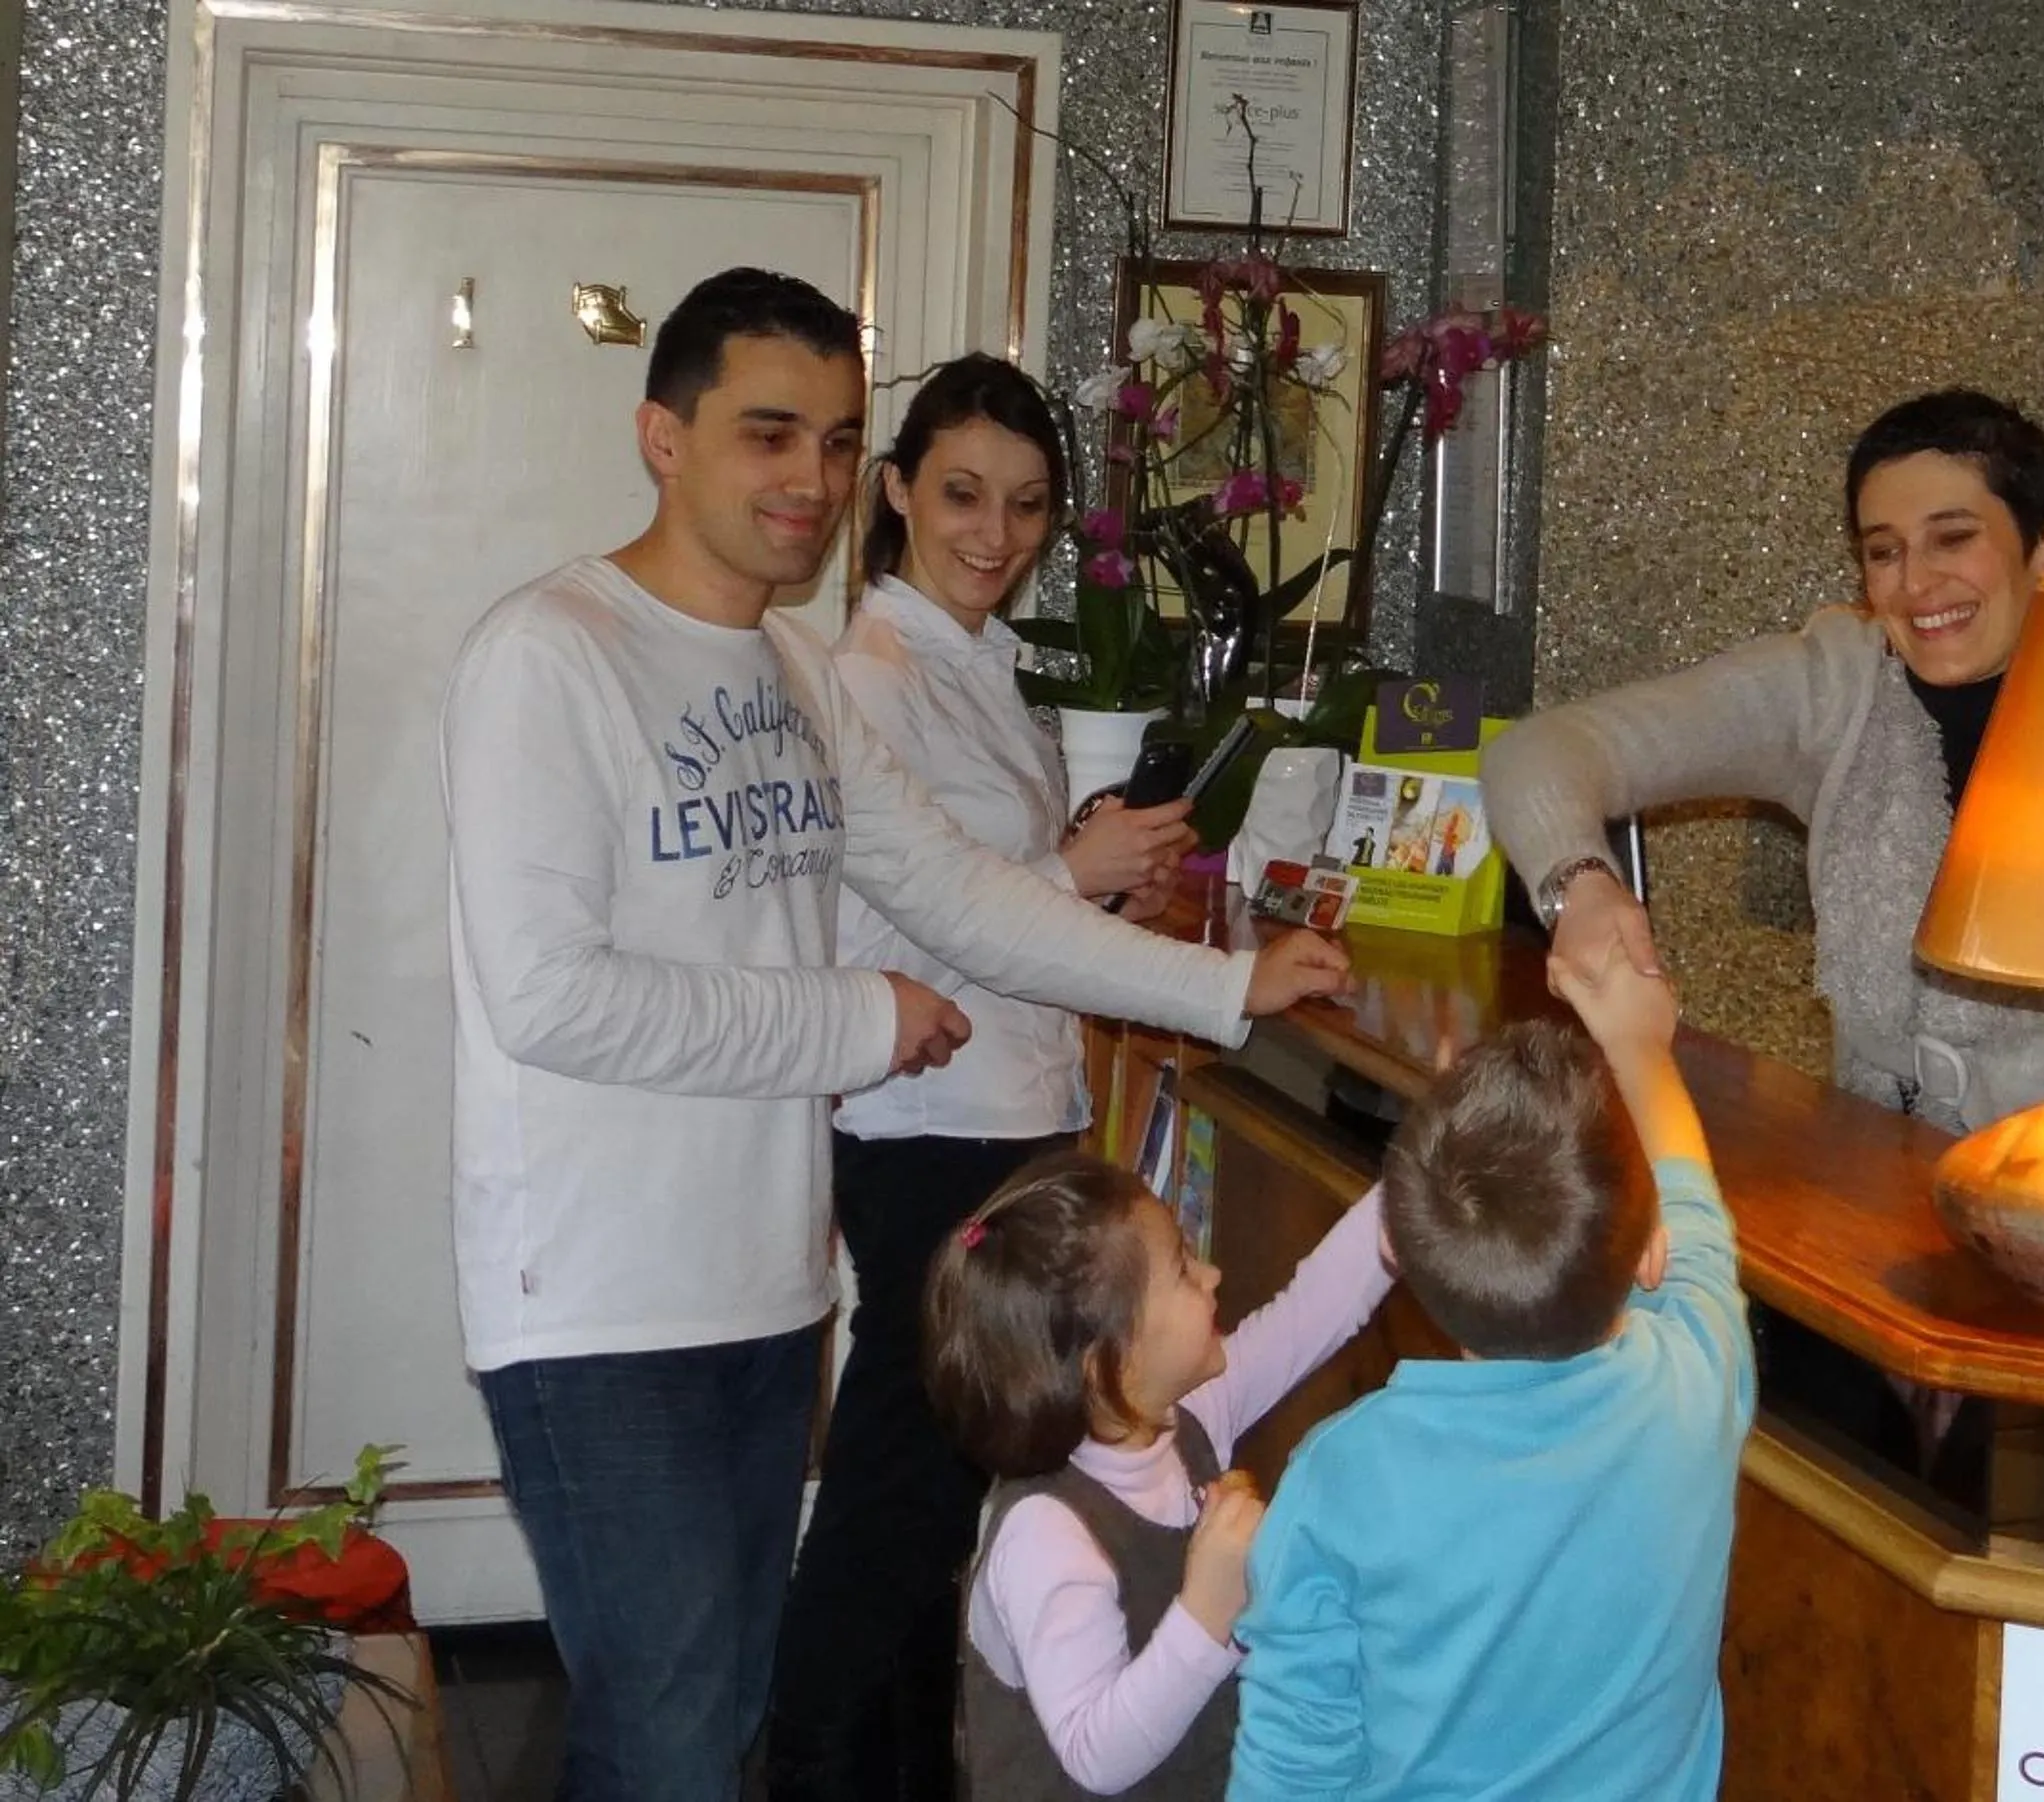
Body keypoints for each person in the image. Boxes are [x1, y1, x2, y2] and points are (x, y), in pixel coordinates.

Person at [439, 267, 1348, 1802]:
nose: (806, 478)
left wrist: (1221, 987)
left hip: (765, 1276)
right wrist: (859, 1017)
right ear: (662, 434)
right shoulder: (552, 651)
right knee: (667, 1738)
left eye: (833, 439)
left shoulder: (795, 668)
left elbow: (963, 895)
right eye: (765, 432)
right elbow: (548, 992)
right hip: (592, 1298)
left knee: (711, 1710)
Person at [1482, 387, 2044, 1496]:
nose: (1915, 586)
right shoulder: (1837, 684)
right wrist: (1579, 885)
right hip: (1865, 1234)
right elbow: (1538, 754)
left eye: (1952, 539)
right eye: (1882, 552)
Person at [762, 354, 1208, 1801]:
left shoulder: (981, 668)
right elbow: (895, 916)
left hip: (1004, 1121)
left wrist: (1094, 894)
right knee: (899, 1488)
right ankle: (814, 1765)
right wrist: (1065, 873)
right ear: (892, 493)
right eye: (960, 494)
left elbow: (999, 908)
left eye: (1024, 506)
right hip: (926, 1132)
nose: (992, 532)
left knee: (940, 1500)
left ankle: (896, 1771)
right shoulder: (864, 677)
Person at [1228, 941, 1752, 1800]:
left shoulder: (1342, 1478)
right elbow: (1693, 1203)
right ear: (1651, 1254)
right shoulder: (1694, 1383)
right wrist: (1638, 1044)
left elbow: (1291, 1766)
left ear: (1393, 1248)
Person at [926, 1150, 1397, 1798]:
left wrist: (1417, 1177)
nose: (1212, 1275)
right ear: (1111, 1365)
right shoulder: (1045, 1535)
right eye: (1181, 1268)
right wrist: (1208, 1610)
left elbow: (1314, 1310)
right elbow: (1096, 1754)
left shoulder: (1185, 1417)